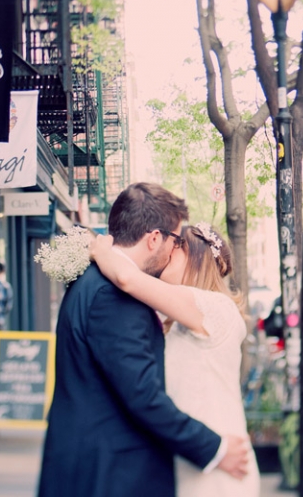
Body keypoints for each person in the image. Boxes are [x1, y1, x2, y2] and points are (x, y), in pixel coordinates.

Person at [37, 183, 251, 497]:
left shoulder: (96, 282)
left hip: (129, 467)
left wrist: (99, 248)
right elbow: (142, 395)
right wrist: (213, 449)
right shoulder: (114, 295)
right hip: (109, 474)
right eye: (175, 240)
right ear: (154, 238)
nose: (171, 252)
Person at [90, 220, 261, 497]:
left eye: (177, 244)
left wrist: (101, 250)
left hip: (222, 465)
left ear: (197, 256)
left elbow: (126, 279)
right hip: (194, 459)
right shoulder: (179, 320)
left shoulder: (217, 308)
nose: (167, 249)